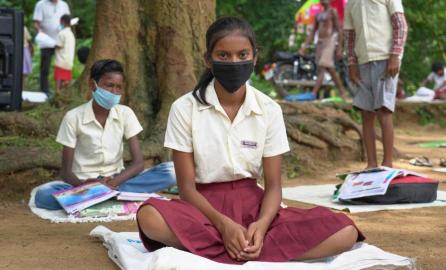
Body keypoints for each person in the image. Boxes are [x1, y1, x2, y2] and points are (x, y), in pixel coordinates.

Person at [136, 16, 364, 264]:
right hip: (202, 208)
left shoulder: (268, 109)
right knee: (149, 217)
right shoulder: (184, 108)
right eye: (223, 55)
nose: (234, 61)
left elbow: (274, 185)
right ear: (208, 59)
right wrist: (224, 226)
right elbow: (187, 188)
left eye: (242, 54)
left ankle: (234, 247)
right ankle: (258, 250)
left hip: (255, 207)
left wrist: (262, 225)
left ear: (255, 57)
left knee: (345, 232)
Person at [35, 59, 176, 210]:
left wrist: (113, 183)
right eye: (109, 85)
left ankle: (100, 198)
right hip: (84, 185)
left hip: (117, 181)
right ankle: (106, 197)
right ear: (92, 85)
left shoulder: (125, 113)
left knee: (172, 171)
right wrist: (87, 186)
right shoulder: (73, 117)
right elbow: (66, 172)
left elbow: (138, 164)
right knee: (43, 195)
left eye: (118, 87)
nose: (114, 92)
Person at [344, 0, 408, 169]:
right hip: (363, 62)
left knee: (384, 111)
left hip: (385, 59)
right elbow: (350, 37)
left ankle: (387, 162)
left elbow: (400, 25)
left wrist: (395, 55)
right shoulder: (351, 4)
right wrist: (351, 64)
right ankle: (371, 163)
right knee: (366, 113)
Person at [299, 0, 348, 100]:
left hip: (330, 41)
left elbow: (339, 30)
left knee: (323, 64)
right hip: (320, 42)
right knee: (326, 68)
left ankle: (313, 93)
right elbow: (313, 31)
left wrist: (339, 47)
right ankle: (341, 91)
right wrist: (304, 46)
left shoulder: (332, 12)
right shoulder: (318, 15)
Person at [33, 0, 71, 97]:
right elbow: (36, 23)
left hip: (61, 41)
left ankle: (61, 89)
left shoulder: (64, 5)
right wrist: (40, 32)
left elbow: (68, 21)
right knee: (45, 66)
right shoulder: (41, 4)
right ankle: (44, 89)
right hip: (47, 41)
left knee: (62, 64)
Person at [54, 14, 75, 94]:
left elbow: (59, 45)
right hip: (69, 60)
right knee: (66, 78)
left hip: (61, 60)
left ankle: (57, 92)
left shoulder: (61, 33)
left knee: (59, 78)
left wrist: (54, 45)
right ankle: (64, 93)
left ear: (62, 22)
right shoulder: (71, 34)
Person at [23, 26, 33, 90]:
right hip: (24, 50)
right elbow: (29, 40)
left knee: (24, 72)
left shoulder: (24, 28)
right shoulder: (24, 28)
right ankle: (23, 88)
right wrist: (31, 48)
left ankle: (23, 88)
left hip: (24, 49)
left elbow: (29, 40)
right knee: (24, 72)